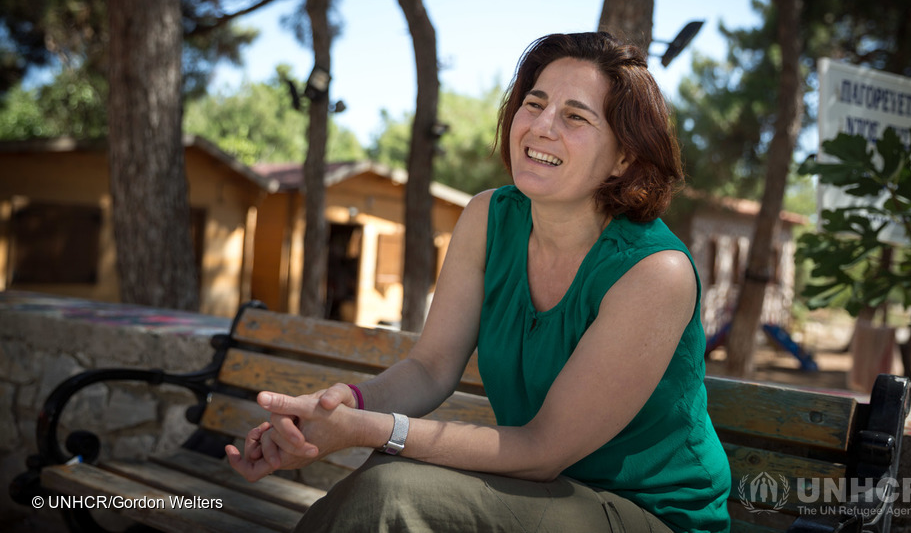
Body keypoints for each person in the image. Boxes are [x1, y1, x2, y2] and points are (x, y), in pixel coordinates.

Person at [226, 31, 732, 532]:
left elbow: (541, 451)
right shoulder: (488, 218)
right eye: (533, 104)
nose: (541, 126)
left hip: (641, 513)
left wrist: (364, 430)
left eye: (575, 116)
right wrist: (335, 409)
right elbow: (430, 367)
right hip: (540, 492)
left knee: (394, 493)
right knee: (389, 476)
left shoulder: (653, 272)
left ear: (625, 156)